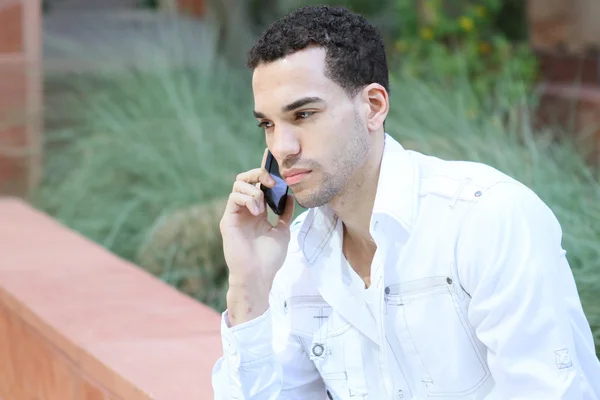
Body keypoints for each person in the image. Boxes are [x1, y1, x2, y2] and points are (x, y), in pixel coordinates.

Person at [211, 5, 600, 399]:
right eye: (268, 124)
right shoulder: (296, 258)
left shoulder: (487, 219)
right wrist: (248, 287)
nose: (282, 147)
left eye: (304, 114)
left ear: (374, 106)